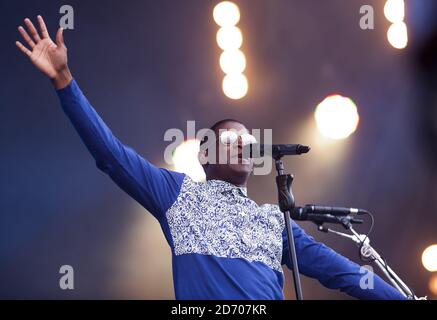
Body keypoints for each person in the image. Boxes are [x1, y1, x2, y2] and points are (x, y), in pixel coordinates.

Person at [15, 16, 406, 300]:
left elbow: (345, 274)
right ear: (205, 155)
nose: (243, 144)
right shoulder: (178, 195)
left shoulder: (273, 220)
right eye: (231, 138)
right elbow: (111, 156)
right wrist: (65, 82)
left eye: (248, 140)